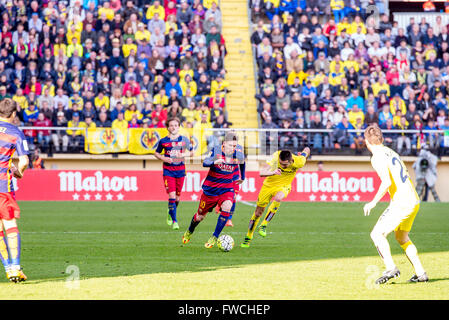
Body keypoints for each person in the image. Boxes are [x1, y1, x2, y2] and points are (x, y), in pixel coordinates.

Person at [363, 124, 428, 284]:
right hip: (413, 199)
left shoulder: (376, 156)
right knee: (402, 237)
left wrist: (373, 202)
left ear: (366, 142)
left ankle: (391, 267)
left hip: (402, 202)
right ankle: (421, 273)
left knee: (376, 234)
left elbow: (386, 182)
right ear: (382, 139)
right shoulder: (391, 152)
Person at [182, 132, 245, 249]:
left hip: (226, 189)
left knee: (227, 206)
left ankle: (214, 237)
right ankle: (190, 231)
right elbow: (205, 162)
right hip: (210, 191)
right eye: (231, 145)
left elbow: (243, 162)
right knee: (199, 217)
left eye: (235, 146)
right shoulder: (216, 151)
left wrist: (243, 177)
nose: (233, 148)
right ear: (224, 144)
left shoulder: (237, 154)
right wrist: (214, 162)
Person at [241, 147, 310, 248]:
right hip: (268, 186)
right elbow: (261, 172)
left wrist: (305, 153)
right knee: (257, 213)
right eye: (281, 164)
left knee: (279, 198)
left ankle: (264, 225)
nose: (282, 166)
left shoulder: (299, 161)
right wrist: (272, 172)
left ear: (291, 161)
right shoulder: (275, 158)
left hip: (284, 186)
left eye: (285, 164)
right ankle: (248, 237)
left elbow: (307, 150)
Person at [0, 98, 30, 282]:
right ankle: (16, 268)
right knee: (10, 226)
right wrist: (18, 172)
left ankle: (8, 269)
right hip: (3, 186)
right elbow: (25, 160)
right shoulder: (15, 132)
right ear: (12, 114)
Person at [154, 117, 193, 230]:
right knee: (171, 195)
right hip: (168, 171)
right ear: (168, 127)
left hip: (180, 171)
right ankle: (175, 221)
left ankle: (170, 211)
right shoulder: (163, 141)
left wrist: (183, 155)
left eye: (175, 125)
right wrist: (163, 158)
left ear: (178, 127)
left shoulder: (184, 140)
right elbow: (156, 153)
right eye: (171, 125)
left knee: (177, 198)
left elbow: (192, 152)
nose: (173, 127)